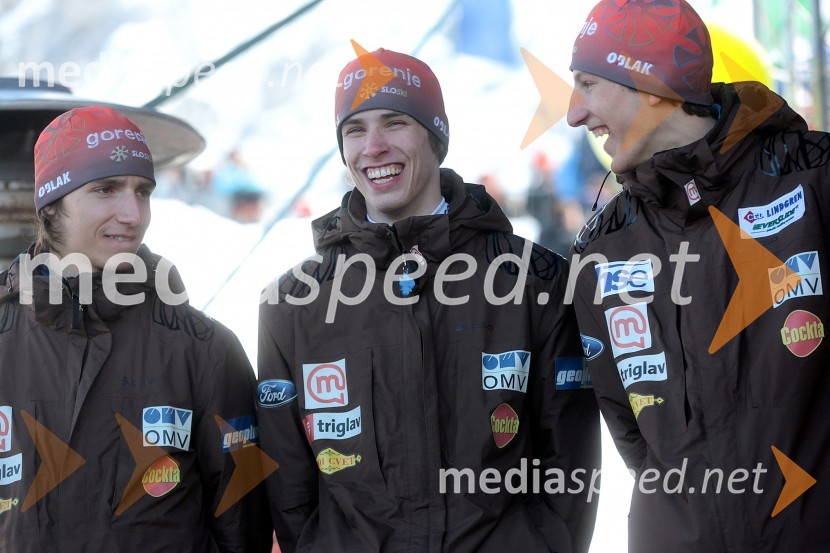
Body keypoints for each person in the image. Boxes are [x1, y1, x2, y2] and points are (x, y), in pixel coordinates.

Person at [258, 48, 600, 553]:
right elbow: (288, 486)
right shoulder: (292, 302)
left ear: (435, 136)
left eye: (394, 123)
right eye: (355, 130)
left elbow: (571, 465)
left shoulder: (535, 280)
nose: (373, 147)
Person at [566, 1, 830, 551]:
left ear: (648, 80)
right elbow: (635, 438)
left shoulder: (813, 179)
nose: (574, 113)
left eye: (588, 84)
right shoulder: (600, 250)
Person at [0, 106, 270, 552]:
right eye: (106, 189)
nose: (132, 214)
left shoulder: (205, 348)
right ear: (51, 204)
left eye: (142, 192)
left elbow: (245, 529)